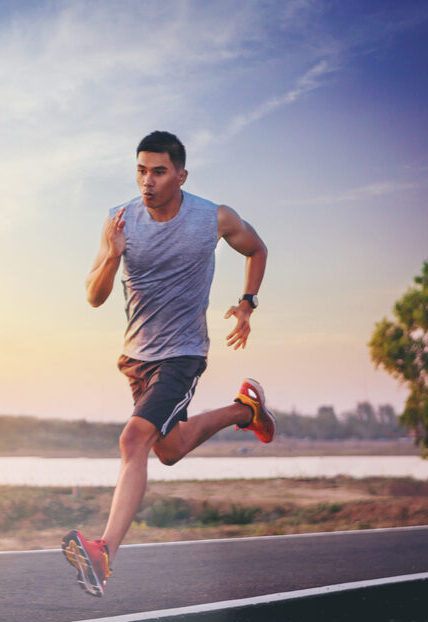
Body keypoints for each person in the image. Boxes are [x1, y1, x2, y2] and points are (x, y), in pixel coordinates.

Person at [62, 131, 275, 598]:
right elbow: (94, 297)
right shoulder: (119, 221)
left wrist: (247, 304)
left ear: (180, 174)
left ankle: (103, 555)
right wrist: (113, 256)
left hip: (182, 354)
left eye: (158, 171)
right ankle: (245, 410)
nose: (147, 181)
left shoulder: (212, 217)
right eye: (141, 170)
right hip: (137, 357)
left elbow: (257, 249)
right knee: (169, 448)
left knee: (133, 438)